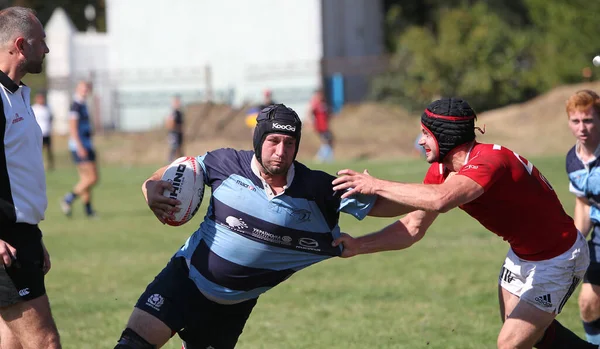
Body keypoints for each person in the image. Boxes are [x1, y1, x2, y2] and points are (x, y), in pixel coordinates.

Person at [332, 97, 598, 349]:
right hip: (521, 257)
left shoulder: (489, 162)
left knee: (510, 343)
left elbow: (440, 200)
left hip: (559, 257)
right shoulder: (443, 169)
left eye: (425, 134)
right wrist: (356, 239)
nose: (421, 142)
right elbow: (413, 226)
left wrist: (376, 184)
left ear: (445, 135)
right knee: (531, 335)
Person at [113, 104, 382, 349]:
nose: (280, 151)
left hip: (233, 308)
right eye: (273, 141)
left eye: (289, 143)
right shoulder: (225, 163)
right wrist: (149, 185)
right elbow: (184, 167)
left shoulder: (317, 189)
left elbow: (382, 207)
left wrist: (390, 190)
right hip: (185, 278)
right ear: (258, 140)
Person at [0, 6, 61, 349]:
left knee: (12, 342)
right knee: (44, 342)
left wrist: (31, 236)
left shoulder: (17, 94)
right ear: (20, 45)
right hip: (5, 243)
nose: (47, 50)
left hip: (20, 237)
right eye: (42, 42)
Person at [566, 90, 600, 344]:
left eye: (588, 120)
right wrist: (575, 242)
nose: (582, 127)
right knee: (588, 303)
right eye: (576, 121)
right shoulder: (573, 159)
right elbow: (583, 203)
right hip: (598, 237)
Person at [60, 81, 99, 218]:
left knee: (85, 179)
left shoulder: (83, 104)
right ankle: (68, 199)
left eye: (87, 88)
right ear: (77, 88)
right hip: (81, 146)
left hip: (86, 144)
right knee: (93, 178)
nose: (85, 90)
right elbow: (73, 128)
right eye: (83, 88)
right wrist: (80, 146)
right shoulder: (76, 106)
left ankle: (88, 211)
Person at [308, 88, 334, 163]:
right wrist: (311, 123)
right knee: (326, 141)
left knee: (329, 141)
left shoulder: (324, 103)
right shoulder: (315, 103)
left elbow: (328, 113)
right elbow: (310, 113)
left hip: (325, 126)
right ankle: (320, 157)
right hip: (320, 127)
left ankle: (327, 157)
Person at [31, 91, 54, 171]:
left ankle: (49, 166)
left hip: (46, 132)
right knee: (38, 151)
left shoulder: (47, 108)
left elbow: (51, 118)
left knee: (49, 151)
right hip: (37, 133)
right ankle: (37, 165)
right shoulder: (33, 108)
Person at [165, 94, 184, 163]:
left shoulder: (179, 113)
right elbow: (169, 123)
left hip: (179, 134)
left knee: (179, 149)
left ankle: (181, 162)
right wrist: (175, 129)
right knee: (174, 148)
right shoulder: (173, 113)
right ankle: (171, 163)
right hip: (174, 133)